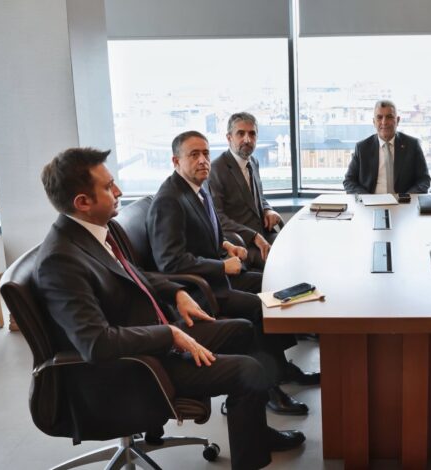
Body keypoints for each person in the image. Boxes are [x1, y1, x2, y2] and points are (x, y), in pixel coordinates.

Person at [35, 147, 305, 470]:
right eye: (108, 187)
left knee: (244, 330)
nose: (118, 191)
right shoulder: (60, 261)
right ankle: (251, 460)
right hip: (134, 366)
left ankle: (255, 433)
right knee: (248, 371)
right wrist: (169, 335)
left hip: (153, 335)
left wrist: (176, 292)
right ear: (82, 202)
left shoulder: (98, 229)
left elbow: (136, 274)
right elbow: (96, 343)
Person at [147, 131, 318, 417]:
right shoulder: (169, 200)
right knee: (258, 306)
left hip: (215, 277)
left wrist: (225, 245)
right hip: (199, 291)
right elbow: (170, 261)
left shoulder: (197, 188)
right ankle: (269, 388)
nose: (203, 160)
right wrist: (221, 266)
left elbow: (198, 236)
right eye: (194, 155)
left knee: (270, 284)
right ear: (176, 161)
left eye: (205, 153)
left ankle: (281, 368)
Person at [208, 112, 283, 270]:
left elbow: (258, 198)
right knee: (280, 266)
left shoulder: (253, 162)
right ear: (229, 138)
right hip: (241, 243)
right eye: (240, 134)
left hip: (264, 233)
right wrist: (253, 236)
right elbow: (218, 218)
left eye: (252, 134)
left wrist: (267, 209)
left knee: (296, 252)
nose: (247, 139)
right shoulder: (215, 170)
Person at [343, 99, 431, 194]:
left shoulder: (412, 145)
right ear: (374, 122)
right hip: (371, 201)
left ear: (397, 120)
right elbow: (349, 181)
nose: (384, 122)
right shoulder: (362, 148)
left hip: (403, 201)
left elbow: (424, 180)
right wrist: (367, 198)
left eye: (389, 117)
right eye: (379, 117)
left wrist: (407, 197)